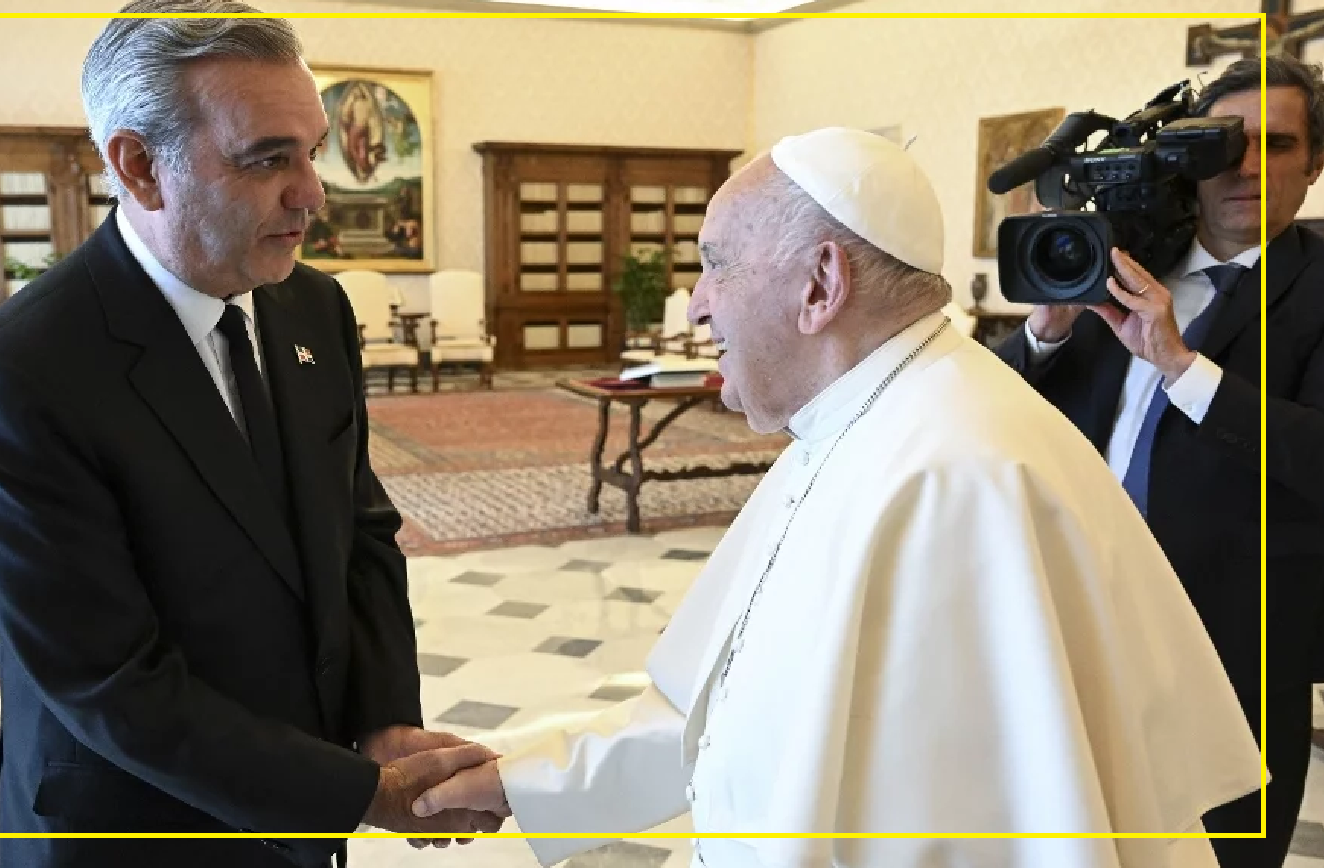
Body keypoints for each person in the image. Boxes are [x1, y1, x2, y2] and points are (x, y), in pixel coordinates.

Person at [408, 127, 1262, 868]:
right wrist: (524, 775)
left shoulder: (953, 477)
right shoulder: (870, 417)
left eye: (713, 267)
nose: (699, 305)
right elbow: (731, 710)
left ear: (820, 285)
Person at [0, 3, 499, 866]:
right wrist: (355, 796)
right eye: (267, 159)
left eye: (311, 150)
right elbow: (110, 681)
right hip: (132, 830)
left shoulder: (313, 304)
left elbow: (360, 532)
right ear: (139, 166)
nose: (312, 191)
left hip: (293, 818)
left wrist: (383, 718)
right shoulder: (15, 378)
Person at [994, 54, 1324, 868]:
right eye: (1220, 144)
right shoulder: (1120, 266)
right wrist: (1048, 330)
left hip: (1236, 645)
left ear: (1315, 165)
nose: (1244, 166)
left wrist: (1183, 366)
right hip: (1076, 616)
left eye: (1276, 145)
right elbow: (1005, 406)